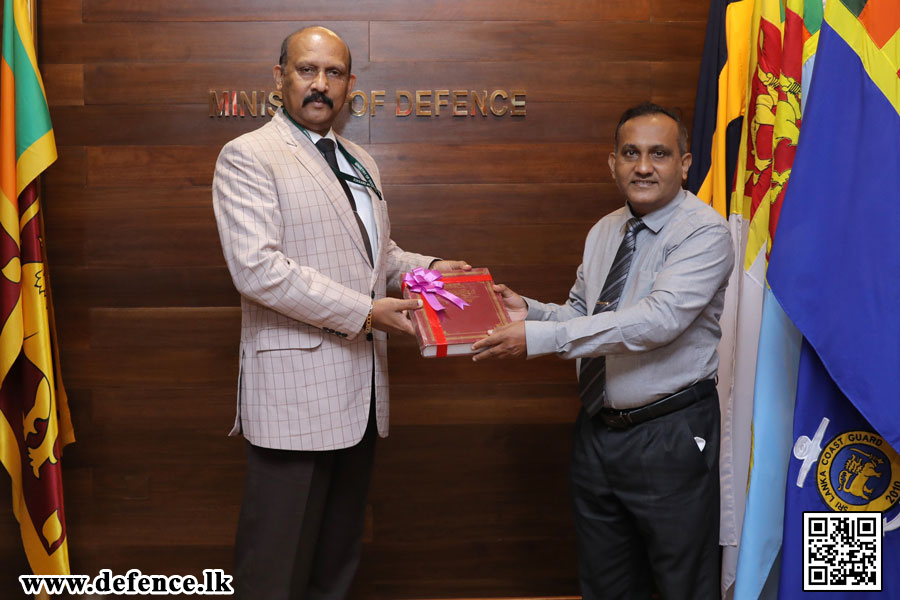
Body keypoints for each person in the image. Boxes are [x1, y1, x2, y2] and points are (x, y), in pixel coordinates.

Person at [212, 26, 468, 599]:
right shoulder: (249, 156)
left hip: (361, 394)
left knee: (335, 568)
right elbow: (258, 269)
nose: (320, 85)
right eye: (307, 70)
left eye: (333, 73)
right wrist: (368, 313)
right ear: (278, 77)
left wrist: (430, 270)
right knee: (274, 573)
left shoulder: (361, 160)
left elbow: (377, 256)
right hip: (293, 399)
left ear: (350, 84)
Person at [472, 103, 734, 599]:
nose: (643, 166)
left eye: (659, 154)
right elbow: (581, 314)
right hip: (597, 432)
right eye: (630, 153)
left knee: (683, 585)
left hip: (671, 435)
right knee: (605, 583)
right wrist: (528, 311)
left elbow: (657, 321)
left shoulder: (704, 232)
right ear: (611, 162)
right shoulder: (604, 230)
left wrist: (538, 340)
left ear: (685, 163)